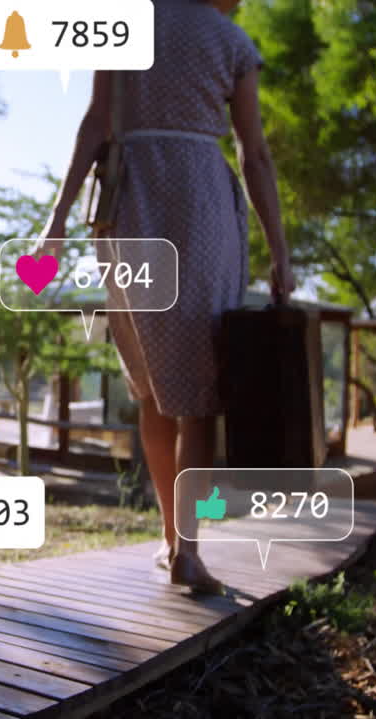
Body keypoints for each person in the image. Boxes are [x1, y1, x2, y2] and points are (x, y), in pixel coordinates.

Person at [41, 0, 294, 593]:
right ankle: (189, 550)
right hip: (201, 199)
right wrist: (279, 248)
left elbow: (94, 123)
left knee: (154, 386)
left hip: (129, 201)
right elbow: (253, 153)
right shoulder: (232, 42)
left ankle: (169, 538)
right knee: (199, 391)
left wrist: (55, 222)